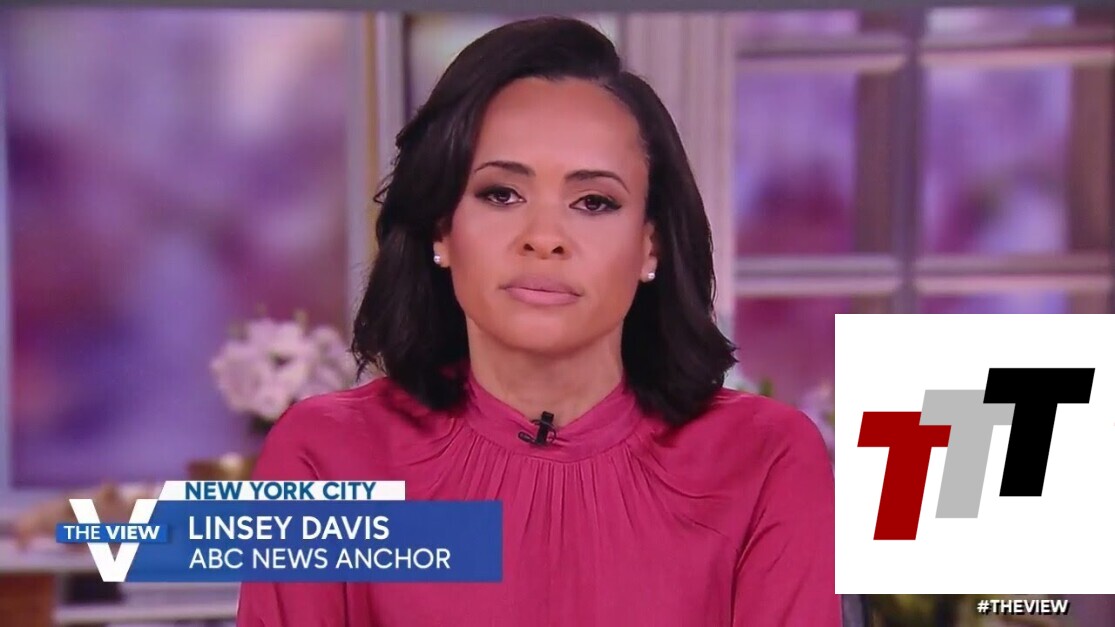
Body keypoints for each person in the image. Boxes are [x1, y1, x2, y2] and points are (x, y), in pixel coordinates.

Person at [236, 16, 840, 627]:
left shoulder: (765, 460)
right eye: (501, 194)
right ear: (442, 228)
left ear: (650, 245)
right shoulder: (324, 458)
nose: (544, 237)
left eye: (594, 202)